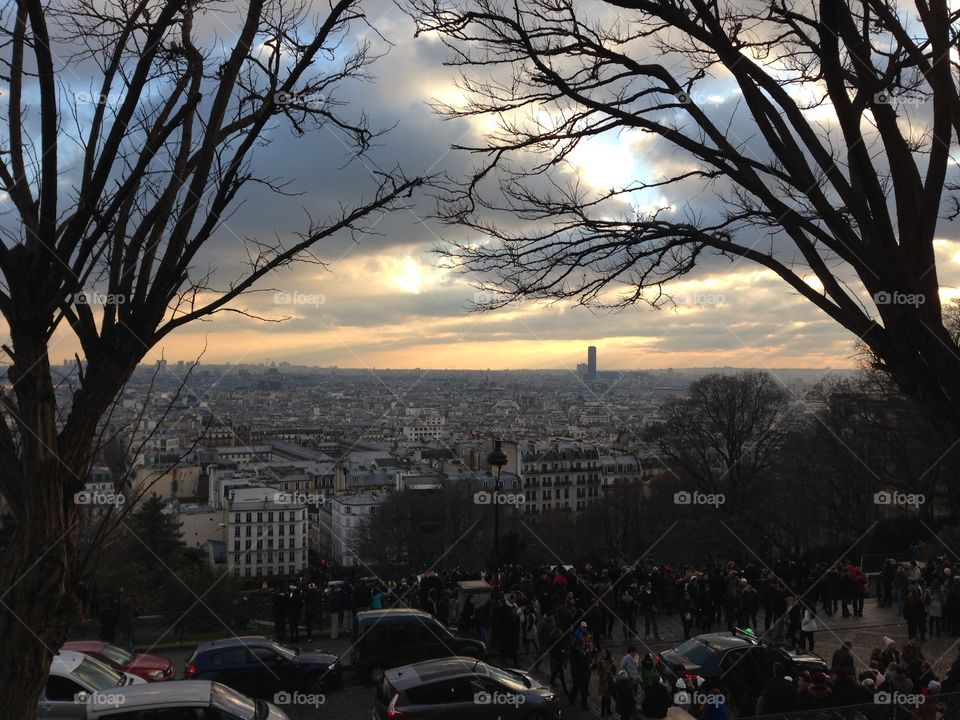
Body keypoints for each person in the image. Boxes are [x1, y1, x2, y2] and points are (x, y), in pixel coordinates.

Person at [568, 632, 595, 710]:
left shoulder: (584, 651)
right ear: (578, 646)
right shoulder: (574, 654)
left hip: (585, 673)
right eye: (582, 644)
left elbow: (587, 660)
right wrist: (579, 672)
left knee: (584, 690)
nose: (584, 645)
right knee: (576, 687)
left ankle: (584, 705)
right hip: (578, 674)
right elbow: (575, 665)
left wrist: (591, 666)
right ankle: (571, 699)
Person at [596, 648, 617, 717]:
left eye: (604, 653)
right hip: (603, 681)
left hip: (610, 680)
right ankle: (602, 711)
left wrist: (611, 673)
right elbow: (598, 671)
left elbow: (615, 670)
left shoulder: (611, 660)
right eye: (602, 653)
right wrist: (604, 673)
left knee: (609, 696)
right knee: (604, 697)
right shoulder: (600, 661)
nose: (603, 654)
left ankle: (608, 710)